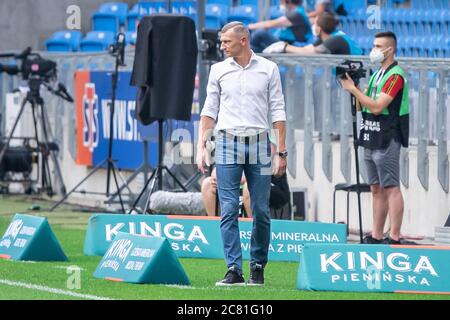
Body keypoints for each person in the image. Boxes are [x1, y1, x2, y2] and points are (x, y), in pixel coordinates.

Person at [197, 21, 287, 286]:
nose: (222, 46)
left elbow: (278, 111)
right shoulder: (217, 70)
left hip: (260, 143)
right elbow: (209, 110)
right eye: (222, 41)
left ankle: (257, 266)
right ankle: (234, 269)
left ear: (244, 40)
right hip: (226, 143)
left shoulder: (269, 68)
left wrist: (281, 152)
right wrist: (202, 146)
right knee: (227, 208)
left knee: (260, 209)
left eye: (227, 41)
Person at [339, 31, 411, 245]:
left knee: (391, 187)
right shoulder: (376, 74)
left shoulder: (395, 75)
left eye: (379, 46)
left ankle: (395, 235)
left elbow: (379, 107)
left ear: (390, 49)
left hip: (387, 135)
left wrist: (353, 89)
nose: (375, 50)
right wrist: (355, 89)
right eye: (374, 45)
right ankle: (377, 234)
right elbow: (364, 104)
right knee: (375, 188)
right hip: (370, 134)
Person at [263, 12, 362, 55]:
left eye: (314, 24)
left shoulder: (337, 39)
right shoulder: (323, 38)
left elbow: (313, 53)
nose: (313, 26)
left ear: (319, 29)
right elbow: (305, 49)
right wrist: (285, 47)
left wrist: (284, 48)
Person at [248, 0, 312, 53]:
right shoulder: (296, 11)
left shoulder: (297, 13)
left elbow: (273, 23)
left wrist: (250, 26)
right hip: (286, 43)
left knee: (260, 33)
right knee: (254, 48)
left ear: (288, 1)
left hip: (292, 46)